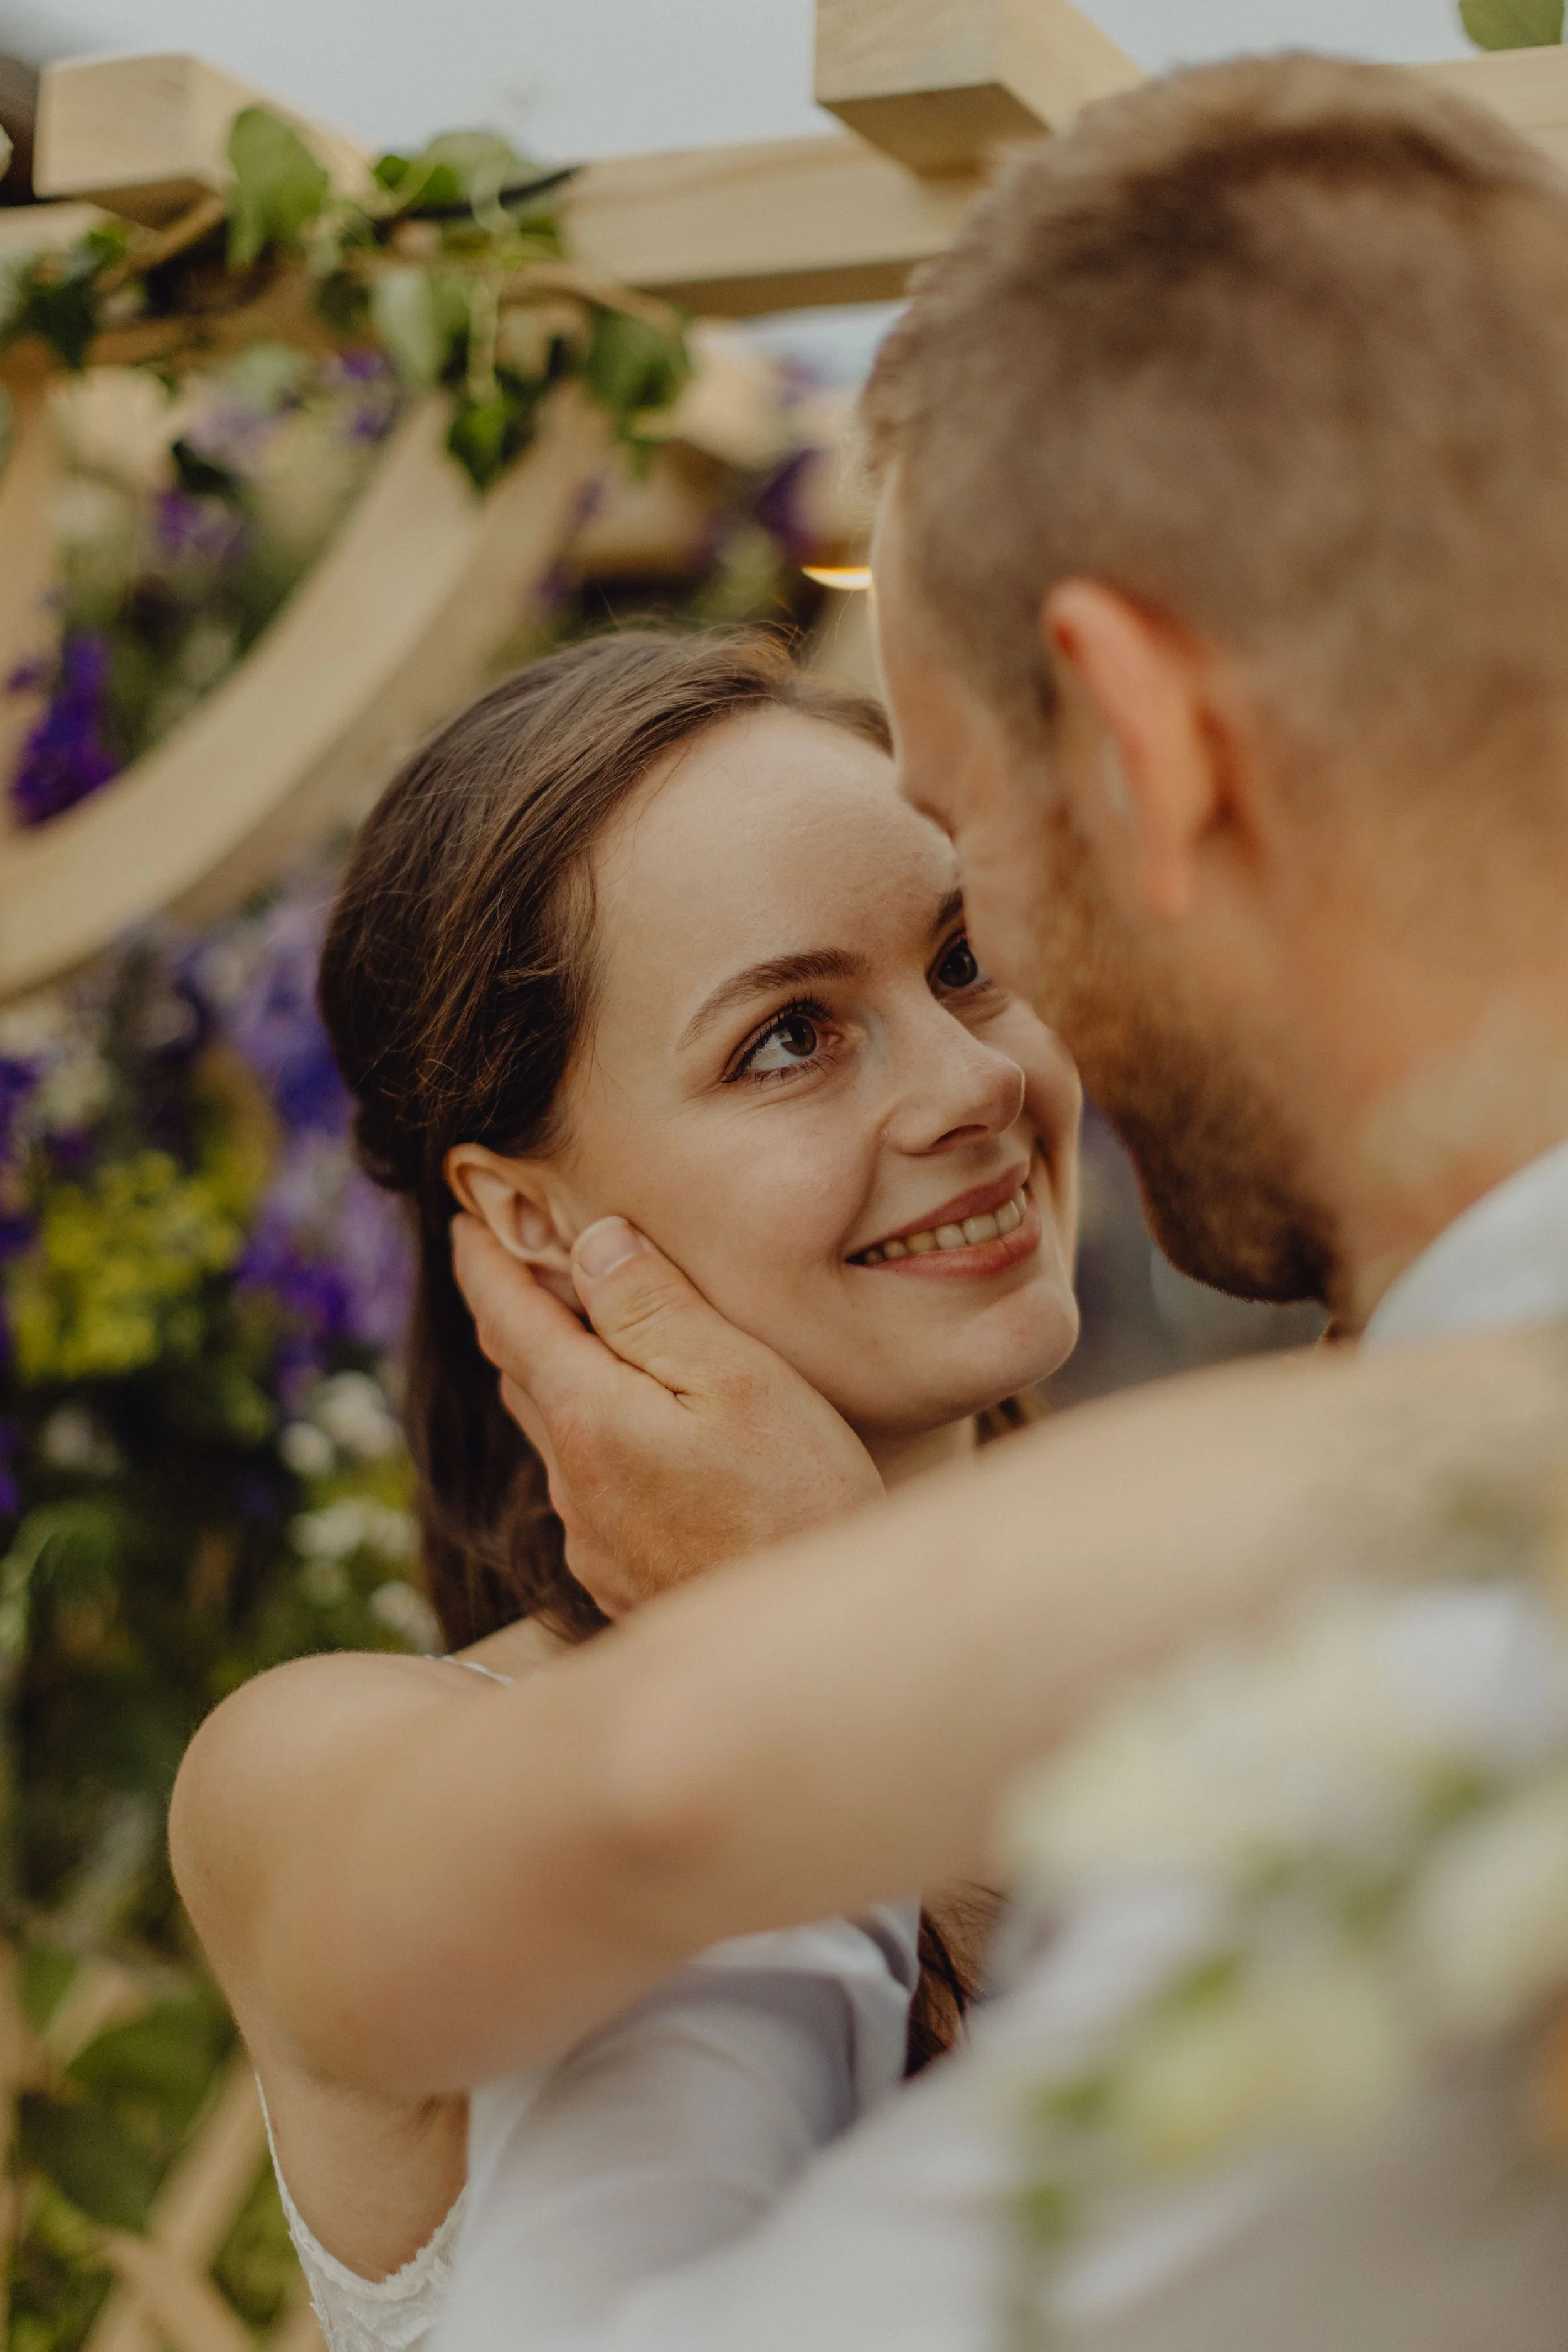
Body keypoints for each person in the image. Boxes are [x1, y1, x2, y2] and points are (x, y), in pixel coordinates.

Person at [428, 51, 1568, 2351]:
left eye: (972, 889)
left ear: (1143, 747)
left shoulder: (1445, 1655)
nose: (991, 1051)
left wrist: (789, 1734)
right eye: (787, 1027)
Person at [170, 627, 1088, 2346]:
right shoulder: (329, 1764)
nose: (974, 1083)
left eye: (963, 958)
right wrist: (811, 1610)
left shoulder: (1219, 1640)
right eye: (791, 1036)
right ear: (523, 1220)